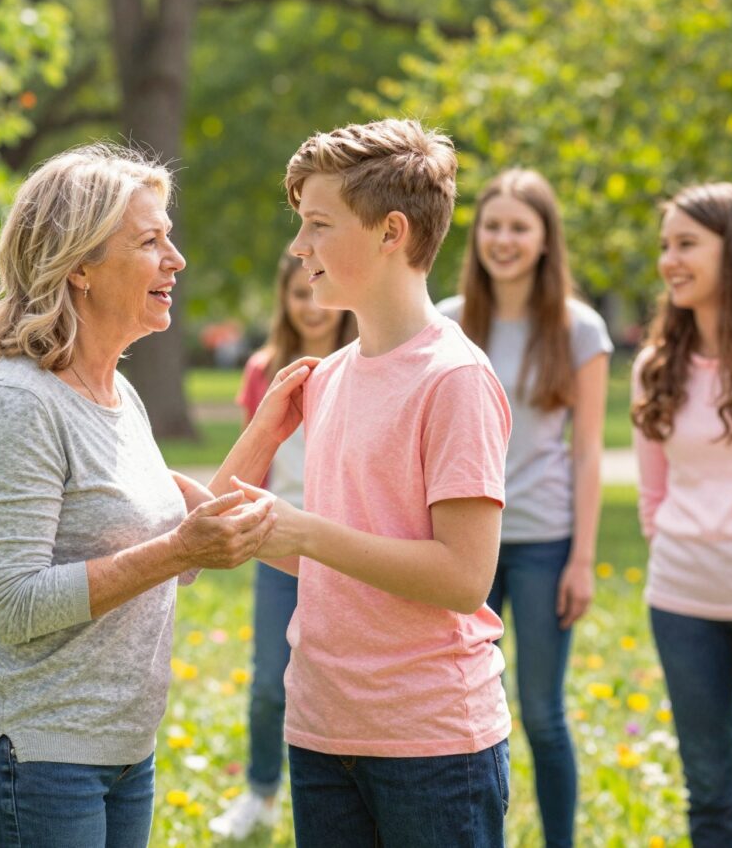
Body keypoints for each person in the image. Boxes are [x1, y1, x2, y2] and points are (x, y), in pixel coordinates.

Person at [0, 144, 315, 848]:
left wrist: (269, 426)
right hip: (31, 755)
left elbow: (186, 543)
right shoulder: (20, 403)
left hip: (119, 752)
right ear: (78, 265)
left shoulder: (119, 395)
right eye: (150, 242)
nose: (176, 259)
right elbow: (14, 604)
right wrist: (178, 551)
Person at [213, 119, 513, 847]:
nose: (299, 246)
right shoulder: (328, 377)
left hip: (431, 745)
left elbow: (464, 577)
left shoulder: (455, 379)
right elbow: (227, 527)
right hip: (321, 728)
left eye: (319, 224)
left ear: (391, 233)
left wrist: (306, 531)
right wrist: (264, 437)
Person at [437, 169, 612, 848]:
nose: (503, 240)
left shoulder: (579, 328)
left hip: (544, 542)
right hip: (458, 543)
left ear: (544, 239)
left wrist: (583, 559)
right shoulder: (448, 320)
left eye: (519, 227)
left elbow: (589, 451)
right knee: (460, 711)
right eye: (492, 225)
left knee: (541, 712)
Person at [631, 182, 732, 848]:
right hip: (683, 602)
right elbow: (653, 495)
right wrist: (678, 550)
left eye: (687, 244)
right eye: (665, 245)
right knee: (709, 792)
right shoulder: (656, 367)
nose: (670, 260)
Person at [209, 252, 356, 840]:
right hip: (277, 543)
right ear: (283, 300)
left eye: (315, 291)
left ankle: (348, 789)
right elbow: (256, 452)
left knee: (342, 681)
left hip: (342, 543)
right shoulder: (263, 369)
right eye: (297, 294)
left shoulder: (359, 363)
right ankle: (262, 791)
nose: (309, 306)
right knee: (270, 681)